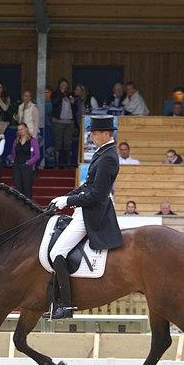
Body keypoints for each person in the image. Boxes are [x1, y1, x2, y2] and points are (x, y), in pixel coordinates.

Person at [45, 115, 123, 320]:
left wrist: (69, 202)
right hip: (85, 209)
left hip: (92, 213)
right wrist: (67, 196)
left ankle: (67, 305)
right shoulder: (102, 153)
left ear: (106, 133)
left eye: (95, 133)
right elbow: (88, 185)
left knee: (57, 252)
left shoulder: (108, 157)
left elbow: (97, 194)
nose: (92, 137)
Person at [51, 78, 77, 169]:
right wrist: (61, 94)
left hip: (69, 122)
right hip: (58, 122)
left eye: (65, 85)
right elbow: (54, 103)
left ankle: (68, 164)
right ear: (59, 86)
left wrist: (73, 103)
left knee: (68, 142)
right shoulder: (55, 94)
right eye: (62, 85)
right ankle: (57, 164)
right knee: (58, 142)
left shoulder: (70, 94)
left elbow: (75, 109)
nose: (64, 87)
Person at [10, 123, 40, 198]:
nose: (20, 131)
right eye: (19, 130)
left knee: (27, 188)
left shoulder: (33, 141)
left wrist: (28, 162)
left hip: (27, 167)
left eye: (22, 129)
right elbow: (13, 153)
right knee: (18, 188)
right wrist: (13, 161)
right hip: (17, 166)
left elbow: (37, 155)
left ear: (26, 129)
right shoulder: (16, 141)